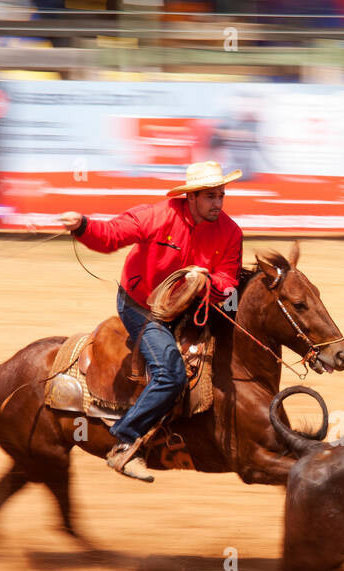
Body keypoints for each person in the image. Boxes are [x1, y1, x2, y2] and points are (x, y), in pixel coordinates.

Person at [59, 161, 243, 482]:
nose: (218, 203)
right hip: (141, 306)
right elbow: (113, 234)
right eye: (211, 197)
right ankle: (124, 441)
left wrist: (207, 284)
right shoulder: (157, 216)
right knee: (171, 373)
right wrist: (83, 226)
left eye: (221, 196)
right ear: (191, 197)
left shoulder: (230, 232)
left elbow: (228, 280)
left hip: (192, 306)